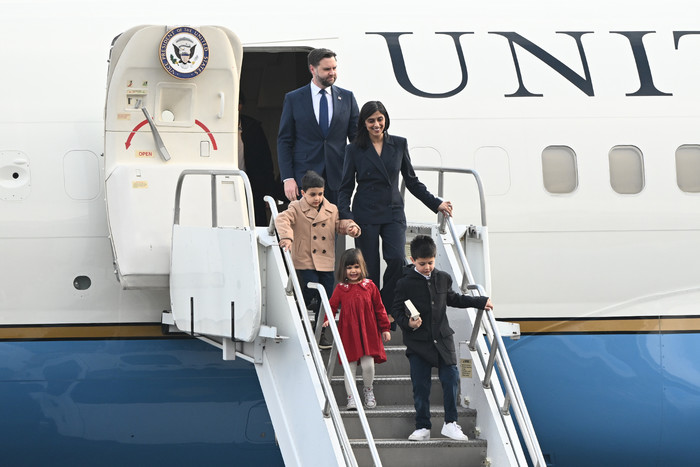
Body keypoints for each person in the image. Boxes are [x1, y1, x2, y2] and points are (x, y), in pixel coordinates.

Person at [338, 101, 453, 315]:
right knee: (369, 266)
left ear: (386, 119)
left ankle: (384, 306)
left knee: (397, 259)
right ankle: (372, 312)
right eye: (371, 120)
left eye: (380, 119)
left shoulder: (399, 144)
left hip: (393, 212)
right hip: (365, 213)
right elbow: (345, 187)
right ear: (364, 123)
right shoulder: (353, 149)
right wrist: (346, 216)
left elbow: (411, 181)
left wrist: (435, 203)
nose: (376, 124)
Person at [391, 235, 494, 441]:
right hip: (418, 343)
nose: (427, 267)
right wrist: (408, 323)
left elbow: (454, 299)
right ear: (412, 260)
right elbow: (396, 310)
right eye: (422, 264)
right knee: (421, 386)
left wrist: (479, 301)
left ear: (435, 258)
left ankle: (450, 423)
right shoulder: (404, 283)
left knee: (451, 379)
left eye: (430, 262)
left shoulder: (443, 277)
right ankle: (422, 426)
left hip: (443, 339)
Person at [275, 171, 361, 349]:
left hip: (326, 260)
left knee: (327, 298)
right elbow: (282, 219)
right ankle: (300, 307)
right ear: (303, 193)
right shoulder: (296, 207)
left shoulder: (332, 209)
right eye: (312, 194)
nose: (317, 198)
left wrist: (350, 227)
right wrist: (287, 237)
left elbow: (338, 225)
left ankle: (320, 332)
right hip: (305, 258)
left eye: (320, 194)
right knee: (310, 289)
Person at [277, 48, 360, 205]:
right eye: (327, 69)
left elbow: (356, 139)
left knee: (337, 220)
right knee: (307, 221)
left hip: (338, 178)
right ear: (312, 69)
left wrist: (362, 171)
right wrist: (288, 178)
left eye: (334, 68)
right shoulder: (294, 99)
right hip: (305, 179)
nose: (332, 73)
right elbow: (284, 141)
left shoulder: (347, 97)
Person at [324, 248, 391, 410]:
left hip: (369, 331)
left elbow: (379, 308)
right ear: (343, 269)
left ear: (362, 267)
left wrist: (385, 328)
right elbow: (332, 305)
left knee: (369, 365)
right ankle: (351, 397)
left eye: (356, 266)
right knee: (350, 366)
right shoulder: (341, 288)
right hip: (349, 332)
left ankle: (368, 390)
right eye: (349, 268)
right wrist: (327, 319)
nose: (353, 271)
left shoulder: (370, 286)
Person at [238, 92, 278, 226]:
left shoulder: (252, 128)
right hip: (224, 183)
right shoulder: (216, 129)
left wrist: (269, 191)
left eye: (238, 103)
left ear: (241, 106)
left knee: (255, 223)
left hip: (253, 185)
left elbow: (265, 162)